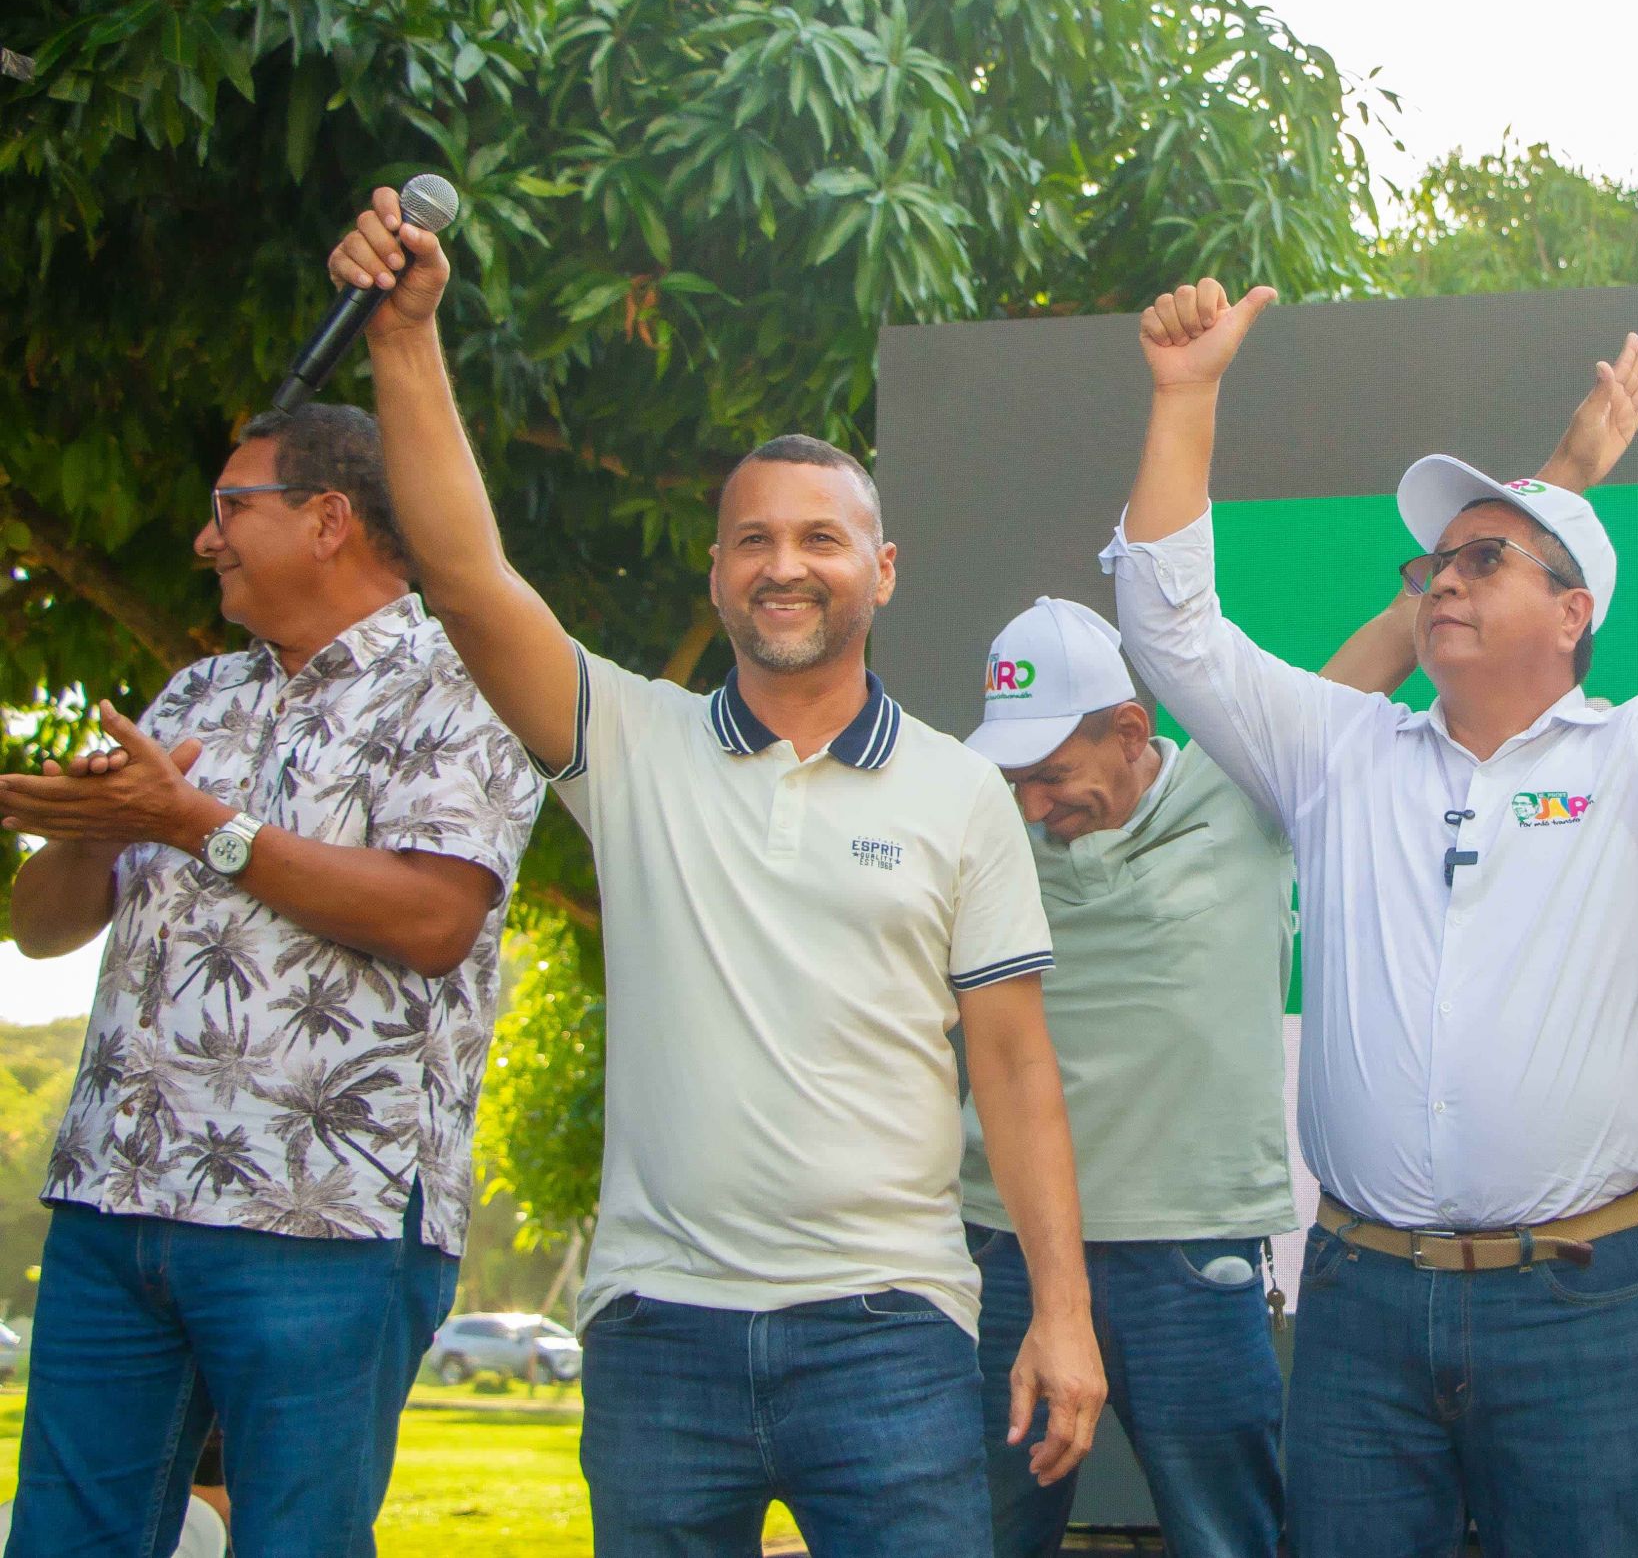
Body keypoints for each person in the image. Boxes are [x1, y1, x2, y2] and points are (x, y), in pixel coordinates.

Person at [323, 186, 1104, 1555]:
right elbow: (462, 572)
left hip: (891, 1331)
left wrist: (1063, 1310)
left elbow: (1018, 1067)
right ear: (717, 571)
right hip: (659, 1333)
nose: (784, 564)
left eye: (819, 537)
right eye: (753, 538)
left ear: (883, 568)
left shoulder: (961, 792)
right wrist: (405, 334)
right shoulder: (630, 739)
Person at [1103, 247, 1638, 1556]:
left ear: (1574, 611)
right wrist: (1183, 398)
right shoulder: (1338, 752)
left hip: (1576, 1308)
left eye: (1485, 558)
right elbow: (1170, 624)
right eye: (1434, 562)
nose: (1443, 578)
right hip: (1358, 1302)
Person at [959, 341, 1638, 1558]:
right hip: (1008, 1251)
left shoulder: (1257, 788)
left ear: (1132, 730)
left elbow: (1438, 612)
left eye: (1054, 772)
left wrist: (1567, 475)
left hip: (1191, 1263)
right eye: (1010, 774)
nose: (1033, 801)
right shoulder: (981, 827)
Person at [0, 403, 542, 1555]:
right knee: (63, 1540)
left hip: (320, 1221)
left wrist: (197, 821)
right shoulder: (194, 698)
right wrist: (99, 827)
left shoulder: (464, 687)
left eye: (229, 510)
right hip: (114, 1199)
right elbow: (39, 931)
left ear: (328, 519)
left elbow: (436, 917)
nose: (206, 541)